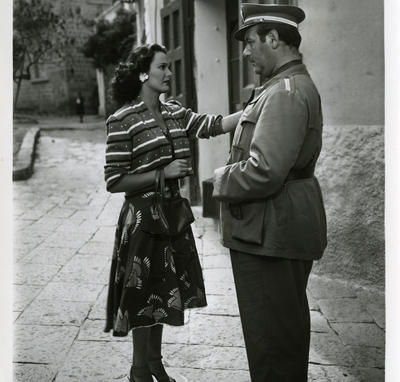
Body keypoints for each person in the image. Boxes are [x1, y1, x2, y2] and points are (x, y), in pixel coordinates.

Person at [103, 44, 240, 382]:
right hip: (143, 219)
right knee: (142, 294)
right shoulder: (122, 120)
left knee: (163, 293)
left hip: (172, 216)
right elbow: (114, 181)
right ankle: (138, 369)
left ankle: (154, 362)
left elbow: (212, 124)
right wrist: (162, 172)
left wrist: (255, 109)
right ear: (143, 72)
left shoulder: (175, 112)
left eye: (169, 67)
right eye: (162, 67)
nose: (168, 73)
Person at [212, 4, 327, 382]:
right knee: (278, 337)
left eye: (250, 42)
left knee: (272, 345)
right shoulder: (282, 88)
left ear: (274, 39)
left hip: (270, 233)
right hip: (271, 229)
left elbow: (264, 171)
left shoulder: (285, 93)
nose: (245, 52)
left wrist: (219, 179)